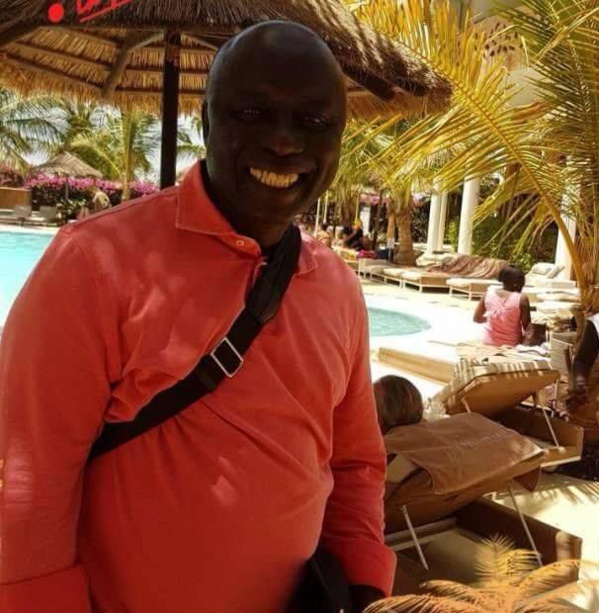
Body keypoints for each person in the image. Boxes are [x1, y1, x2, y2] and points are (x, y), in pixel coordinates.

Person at [0, 22, 394, 613]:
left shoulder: (336, 287)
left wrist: (363, 587)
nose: (283, 142)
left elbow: (355, 462)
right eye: (253, 112)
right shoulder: (95, 261)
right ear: (207, 121)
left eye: (313, 121)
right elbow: (33, 478)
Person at [473, 265, 531, 347]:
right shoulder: (522, 299)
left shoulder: (488, 294)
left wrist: (493, 318)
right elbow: (527, 327)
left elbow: (477, 319)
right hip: (511, 344)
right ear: (518, 282)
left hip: (488, 342)